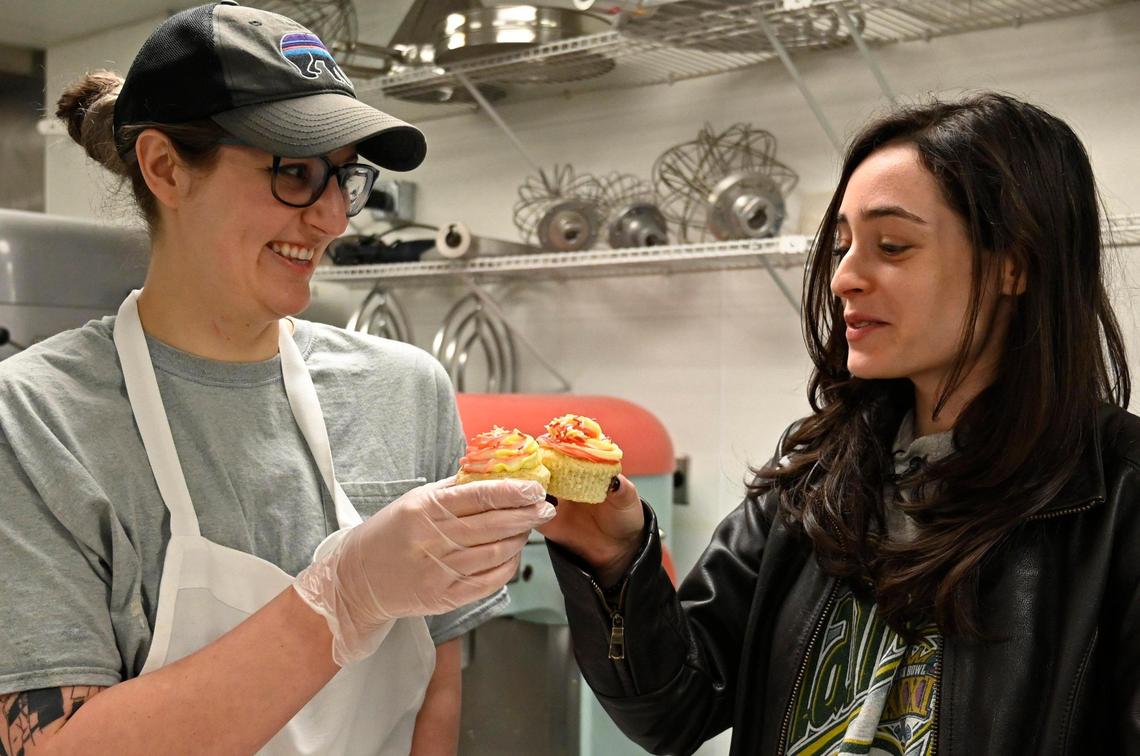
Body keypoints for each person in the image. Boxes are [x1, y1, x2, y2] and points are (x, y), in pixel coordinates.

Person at [0, 3, 555, 754]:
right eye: (294, 172)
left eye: (345, 178)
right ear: (165, 168)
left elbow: (437, 688)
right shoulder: (36, 419)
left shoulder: (406, 393)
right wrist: (341, 598)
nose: (333, 219)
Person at [540, 92, 1139, 755]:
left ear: (1014, 265)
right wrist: (616, 561)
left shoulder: (1119, 497)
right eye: (842, 246)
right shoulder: (819, 473)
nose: (843, 279)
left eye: (893, 246)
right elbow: (676, 711)